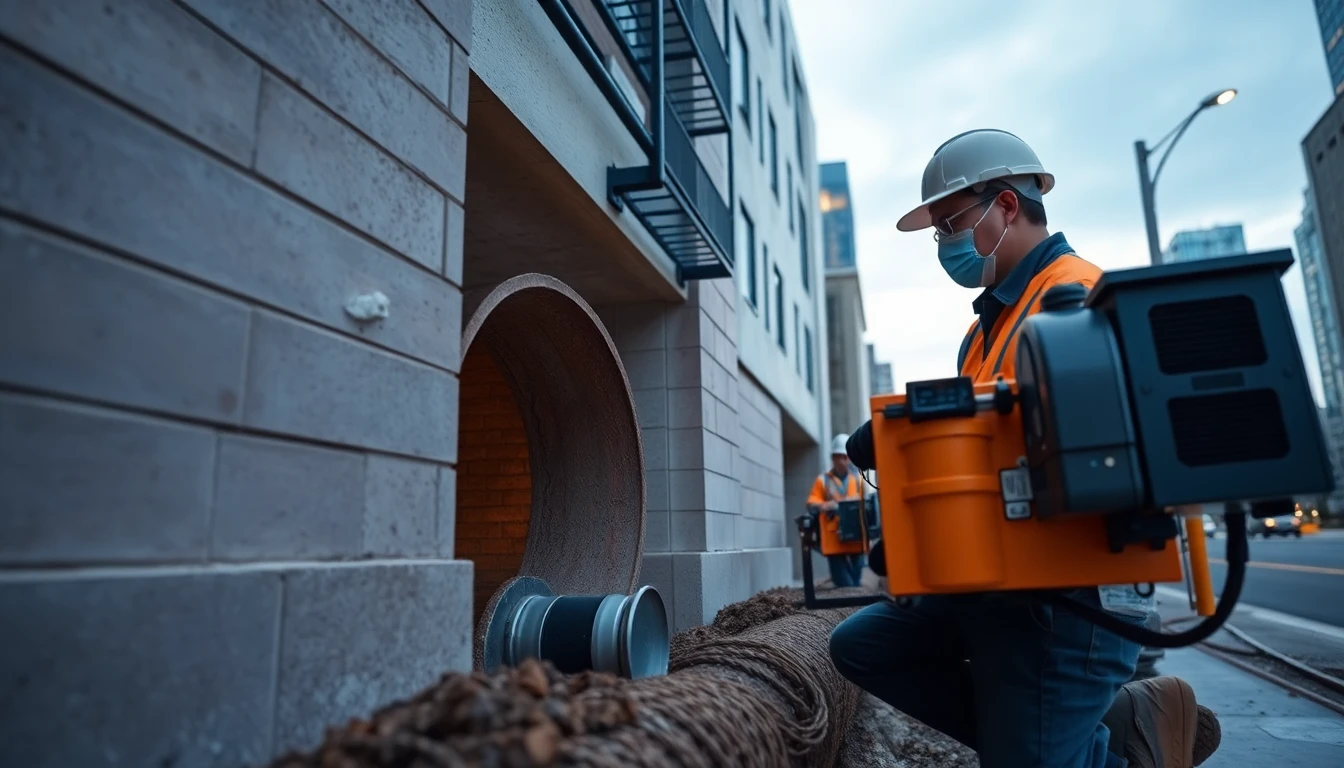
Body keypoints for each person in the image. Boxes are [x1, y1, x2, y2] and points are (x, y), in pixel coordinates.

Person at [828, 129, 1221, 768]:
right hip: (1003, 584)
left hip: (1070, 597)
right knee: (865, 646)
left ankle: (1098, 736)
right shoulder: (983, 334)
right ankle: (1107, 727)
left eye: (951, 223)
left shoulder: (1082, 298)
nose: (946, 243)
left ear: (1006, 206)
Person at [807, 434, 868, 588]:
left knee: (855, 583)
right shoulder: (823, 481)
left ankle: (853, 606)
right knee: (844, 584)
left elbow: (866, 505)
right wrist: (825, 505)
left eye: (846, 457)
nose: (843, 461)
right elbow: (811, 503)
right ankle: (845, 608)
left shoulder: (859, 480)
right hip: (833, 536)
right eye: (839, 457)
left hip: (856, 536)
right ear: (833, 458)